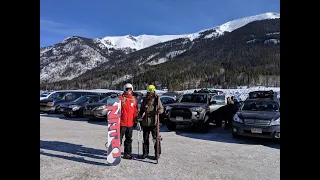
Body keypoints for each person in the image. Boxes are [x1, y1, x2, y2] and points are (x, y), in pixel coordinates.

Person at [138, 84, 164, 159]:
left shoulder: (157, 99)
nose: (150, 93)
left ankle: (157, 153)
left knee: (156, 139)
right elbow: (142, 109)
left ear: (154, 91)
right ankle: (145, 153)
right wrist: (139, 116)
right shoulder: (145, 99)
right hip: (146, 122)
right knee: (145, 139)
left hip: (154, 122)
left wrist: (158, 112)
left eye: (151, 91)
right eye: (149, 91)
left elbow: (161, 108)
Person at [119, 83, 139, 159]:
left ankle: (127, 153)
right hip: (122, 123)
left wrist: (136, 119)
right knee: (118, 139)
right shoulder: (121, 98)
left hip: (130, 124)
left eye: (130, 89)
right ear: (124, 89)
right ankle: (115, 152)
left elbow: (135, 111)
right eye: (127, 89)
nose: (129, 91)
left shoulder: (133, 99)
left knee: (128, 140)